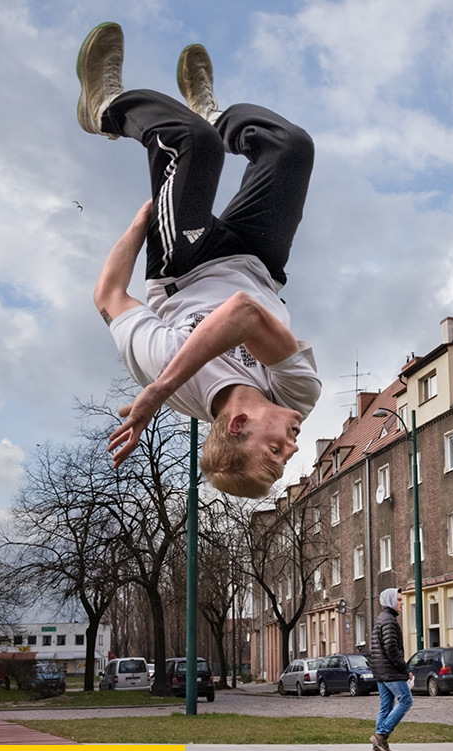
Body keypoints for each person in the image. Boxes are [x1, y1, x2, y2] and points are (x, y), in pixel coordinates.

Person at [77, 22, 321, 497]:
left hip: (183, 266)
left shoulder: (162, 369)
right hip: (259, 264)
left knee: (192, 144)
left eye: (273, 453)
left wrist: (138, 226)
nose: (291, 450)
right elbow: (245, 313)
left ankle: (104, 108)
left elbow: (108, 297)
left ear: (238, 426)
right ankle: (215, 114)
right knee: (291, 148)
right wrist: (157, 393)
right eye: (285, 461)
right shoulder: (298, 396)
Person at [369, 588, 412, 751]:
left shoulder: (382, 619)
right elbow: (391, 649)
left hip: (381, 671)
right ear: (390, 601)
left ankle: (378, 748)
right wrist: (405, 669)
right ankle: (381, 735)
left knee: (386, 706)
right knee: (406, 701)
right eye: (399, 600)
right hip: (390, 671)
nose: (401, 603)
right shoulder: (389, 622)